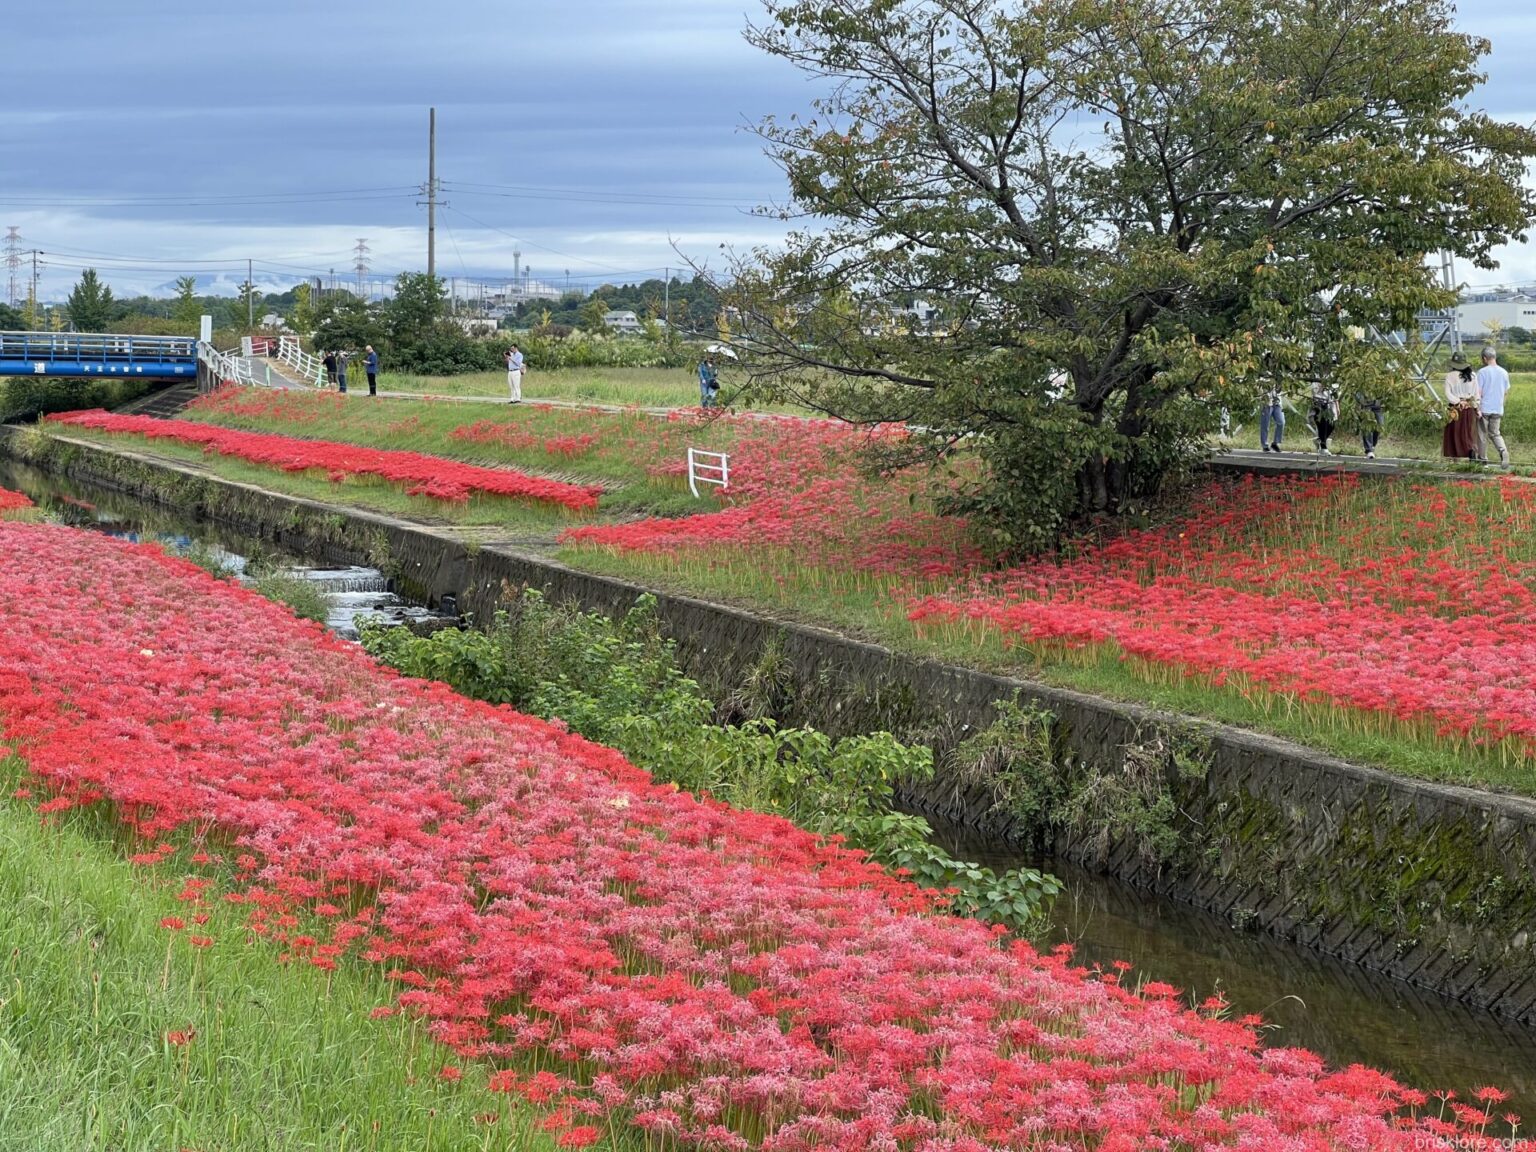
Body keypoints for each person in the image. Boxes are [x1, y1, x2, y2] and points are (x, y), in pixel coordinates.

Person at [1477, 345, 1511, 466]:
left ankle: (1482, 460)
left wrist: (1477, 408)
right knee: (1495, 433)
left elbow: (1478, 392)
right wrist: (1501, 405)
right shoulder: (1504, 372)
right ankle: (1503, 451)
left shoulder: (1482, 372)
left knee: (1482, 435)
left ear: (1485, 358)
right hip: (1498, 408)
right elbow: (1506, 392)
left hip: (1484, 408)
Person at [1442, 358, 1480, 460]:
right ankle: (1470, 451)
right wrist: (1476, 406)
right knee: (1468, 432)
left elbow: (1447, 393)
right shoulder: (1473, 375)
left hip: (1455, 408)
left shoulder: (1450, 375)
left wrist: (1458, 401)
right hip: (1469, 406)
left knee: (1455, 432)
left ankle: (1455, 458)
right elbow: (1476, 393)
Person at [1309, 380, 1339, 455]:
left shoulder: (1333, 378)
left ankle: (1320, 440)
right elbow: (1314, 394)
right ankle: (1323, 447)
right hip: (1319, 405)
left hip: (1330, 406)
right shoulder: (1316, 380)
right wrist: (1322, 386)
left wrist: (1337, 406)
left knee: (1332, 425)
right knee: (1323, 425)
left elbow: (1335, 395)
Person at [1354, 391, 1385, 459]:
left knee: (1379, 426)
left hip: (1378, 407)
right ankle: (1369, 450)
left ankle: (1372, 445)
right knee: (1368, 429)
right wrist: (1361, 402)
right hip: (1366, 407)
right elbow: (1357, 391)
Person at [1258, 386, 1285, 452]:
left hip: (1277, 402)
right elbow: (1259, 387)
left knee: (1281, 422)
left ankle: (1275, 443)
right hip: (1266, 403)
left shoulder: (1278, 377)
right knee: (1265, 425)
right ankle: (1265, 445)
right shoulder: (1263, 377)